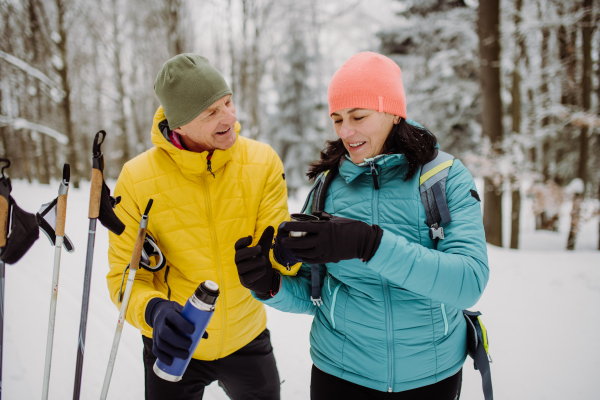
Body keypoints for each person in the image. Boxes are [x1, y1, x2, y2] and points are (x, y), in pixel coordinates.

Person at [234, 52, 489, 399]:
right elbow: (317, 295)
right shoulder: (327, 187)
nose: (345, 132)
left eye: (358, 116)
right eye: (337, 119)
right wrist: (269, 284)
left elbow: (468, 282)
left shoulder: (442, 178)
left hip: (430, 376)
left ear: (394, 112)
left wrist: (370, 244)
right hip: (340, 375)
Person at [107, 54, 299, 400]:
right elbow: (124, 278)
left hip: (246, 336)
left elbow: (281, 254)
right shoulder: (136, 180)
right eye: (211, 111)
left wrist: (284, 257)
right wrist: (154, 311)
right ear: (179, 124)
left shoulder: (262, 162)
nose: (230, 117)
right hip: (175, 339)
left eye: (228, 102)